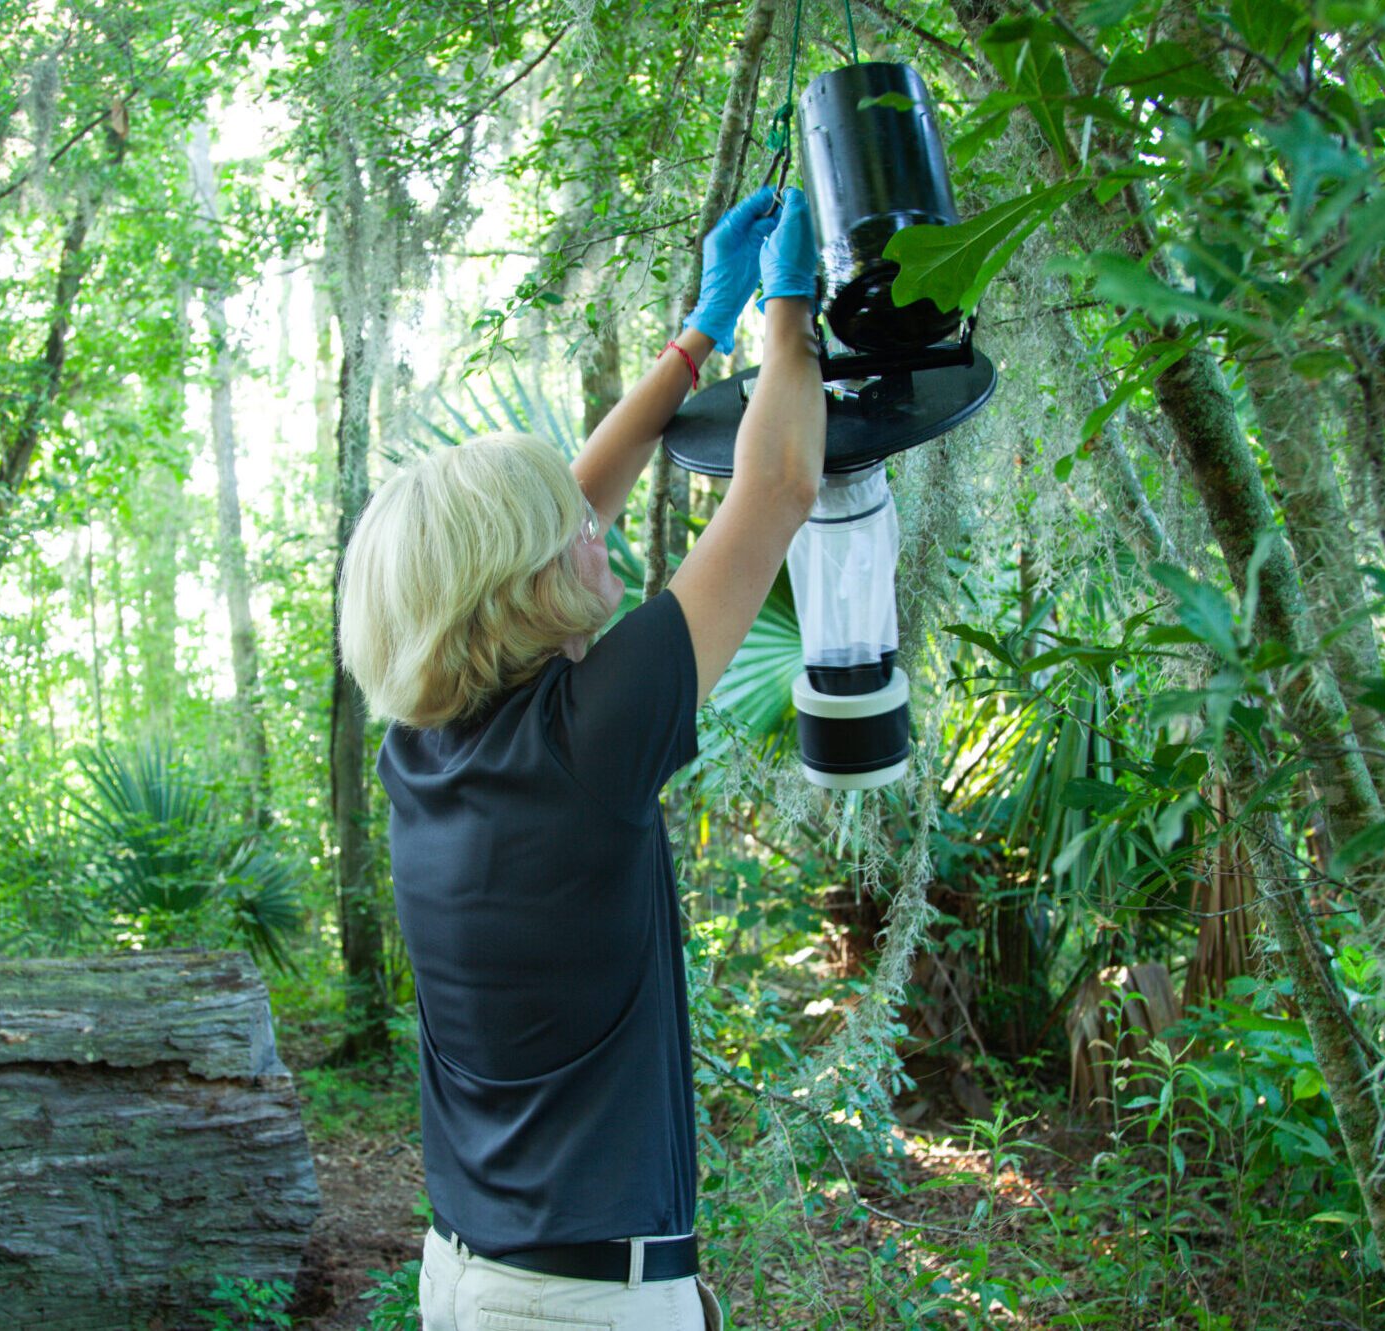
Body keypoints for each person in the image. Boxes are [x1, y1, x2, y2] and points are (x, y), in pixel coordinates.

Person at [335, 185, 827, 1330]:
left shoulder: (422, 744)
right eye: (563, 534)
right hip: (575, 1302)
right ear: (519, 587)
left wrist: (696, 339)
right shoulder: (584, 744)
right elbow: (780, 486)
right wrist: (788, 313)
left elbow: (567, 507)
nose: (588, 525)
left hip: (467, 1272)